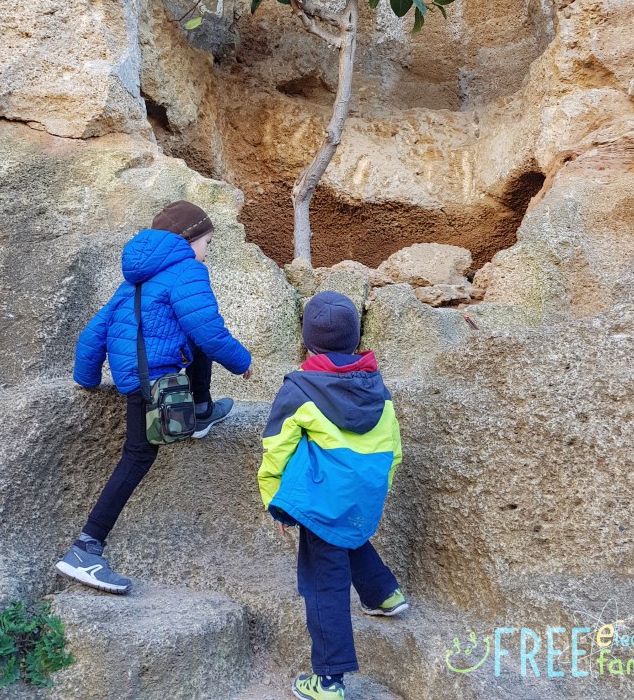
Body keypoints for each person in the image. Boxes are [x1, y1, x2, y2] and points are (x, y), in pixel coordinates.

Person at [56, 201, 252, 594]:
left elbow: (93, 334)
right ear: (190, 239)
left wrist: (88, 380)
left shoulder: (133, 280)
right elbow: (209, 329)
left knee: (193, 343)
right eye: (207, 242)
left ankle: (201, 411)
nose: (207, 251)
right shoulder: (187, 270)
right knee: (138, 456)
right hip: (153, 383)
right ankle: (86, 548)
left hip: (136, 377)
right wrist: (242, 362)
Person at [257, 291, 405, 700]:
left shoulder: (299, 387)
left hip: (322, 498)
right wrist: (377, 491)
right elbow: (394, 448)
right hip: (366, 490)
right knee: (344, 534)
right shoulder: (377, 387)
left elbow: (276, 449)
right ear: (356, 339)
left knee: (324, 583)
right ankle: (384, 594)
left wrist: (275, 502)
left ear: (307, 341)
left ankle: (328, 680)